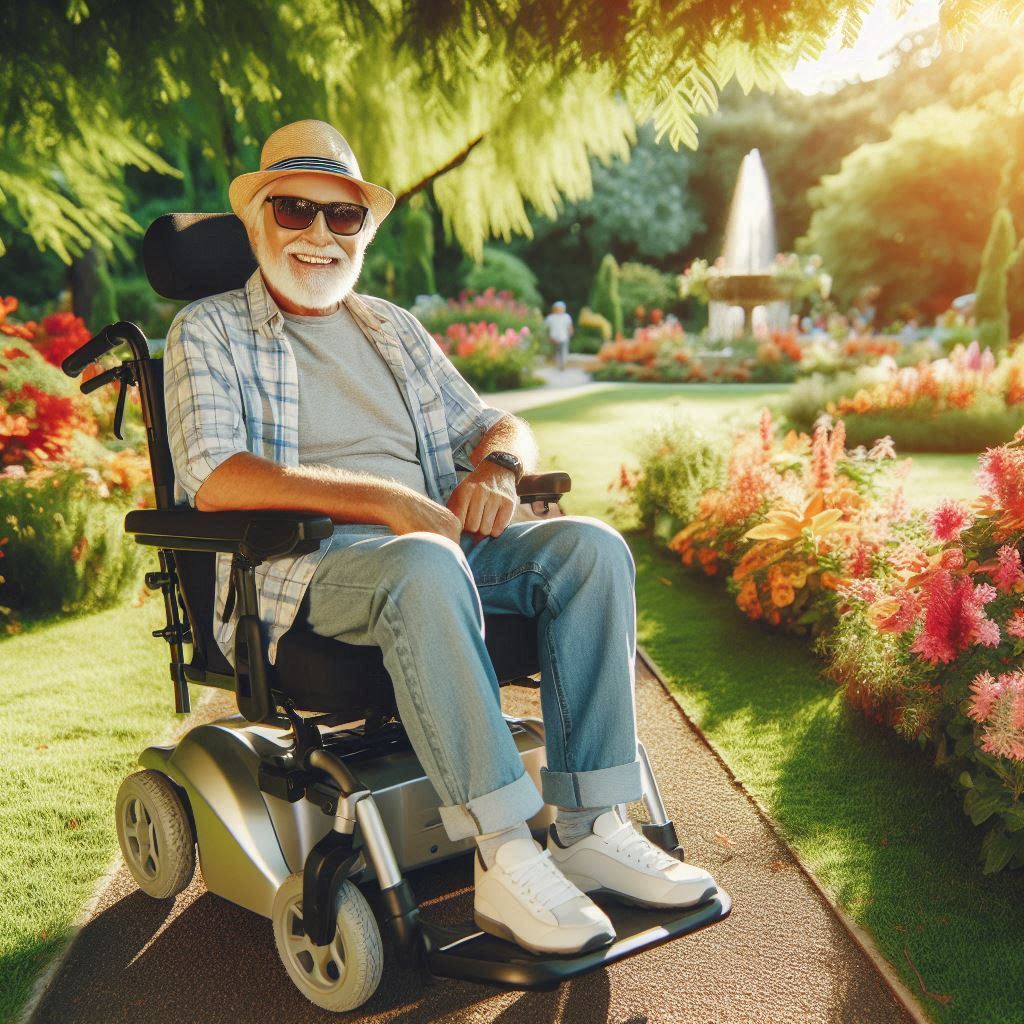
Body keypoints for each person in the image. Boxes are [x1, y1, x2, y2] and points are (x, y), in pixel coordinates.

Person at [164, 120, 717, 957]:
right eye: (294, 210)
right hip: (307, 570)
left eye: (341, 217)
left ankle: (591, 827)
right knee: (424, 559)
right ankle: (503, 854)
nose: (318, 235)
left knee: (591, 548)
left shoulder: (390, 327)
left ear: (363, 229)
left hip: (432, 553)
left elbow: (494, 423)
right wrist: (387, 502)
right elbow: (214, 475)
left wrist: (497, 466)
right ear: (256, 222)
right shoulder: (206, 330)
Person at [543, 300, 574, 371]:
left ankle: (563, 364)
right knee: (556, 352)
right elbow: (545, 327)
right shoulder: (551, 317)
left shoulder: (566, 317)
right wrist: (548, 337)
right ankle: (558, 364)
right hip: (554, 338)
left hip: (564, 337)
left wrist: (570, 332)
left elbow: (570, 326)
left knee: (563, 351)